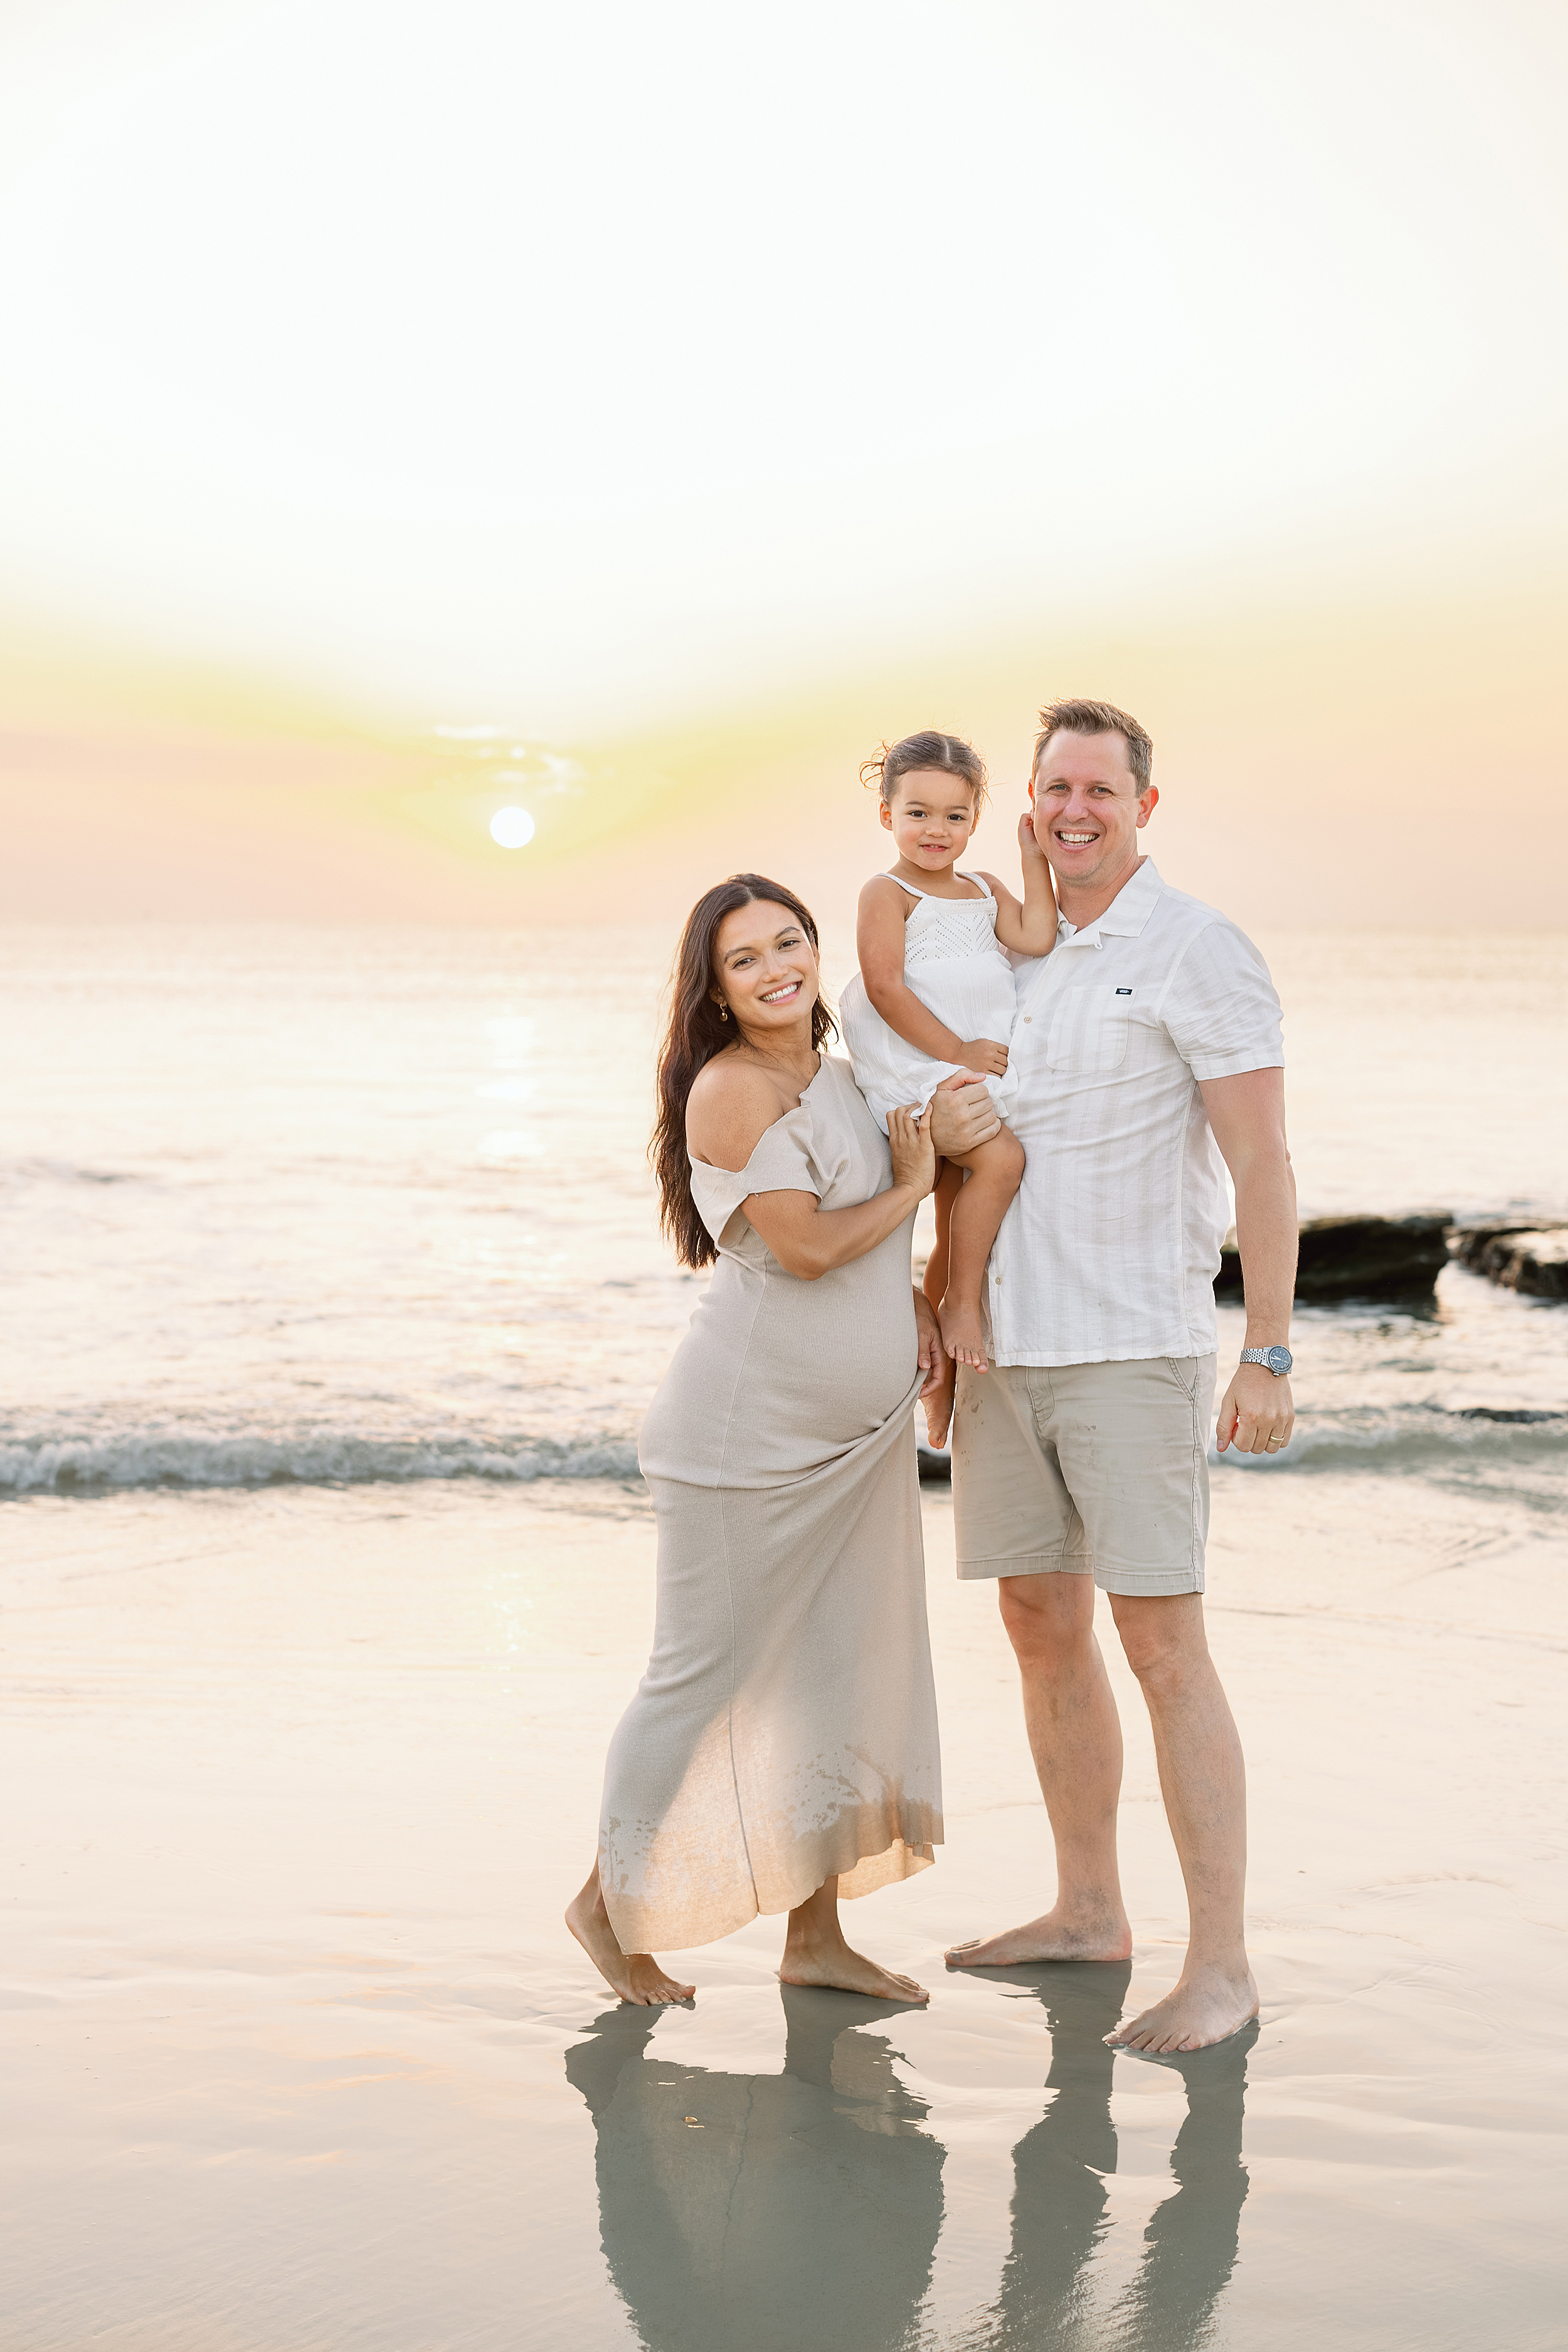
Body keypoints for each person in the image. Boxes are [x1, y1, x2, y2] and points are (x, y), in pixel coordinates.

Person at [926, 698, 1297, 2053]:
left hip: (1131, 1347)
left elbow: (1260, 1164)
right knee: (1037, 1623)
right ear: (1025, 807)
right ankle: (1088, 1911)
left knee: (1159, 1643)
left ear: (1143, 803)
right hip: (1000, 1353)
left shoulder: (1195, 949)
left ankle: (1220, 1966)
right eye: (1051, 790)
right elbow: (962, 1142)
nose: (1071, 809)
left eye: (1097, 787)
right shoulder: (994, 955)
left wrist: (1262, 1348)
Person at [566, 873, 948, 2007]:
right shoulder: (732, 1091)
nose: (779, 967)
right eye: (747, 958)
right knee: (699, 1681)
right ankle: (606, 1905)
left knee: (832, 1679)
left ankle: (814, 1940)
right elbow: (811, 1248)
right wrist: (919, 1184)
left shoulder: (837, 1079)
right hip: (745, 1443)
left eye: (792, 941)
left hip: (853, 1442)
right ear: (717, 991)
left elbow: (866, 1252)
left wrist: (923, 1298)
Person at [839, 731, 1058, 1374]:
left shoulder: (983, 890)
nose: (936, 830)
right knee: (1002, 1161)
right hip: (922, 1066)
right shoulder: (887, 892)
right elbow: (883, 987)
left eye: (954, 816)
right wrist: (957, 1050)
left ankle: (934, 1372)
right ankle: (962, 1305)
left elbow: (1038, 935)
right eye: (917, 813)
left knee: (955, 1212)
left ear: (973, 821)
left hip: (965, 1068)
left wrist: (1031, 855)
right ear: (888, 815)